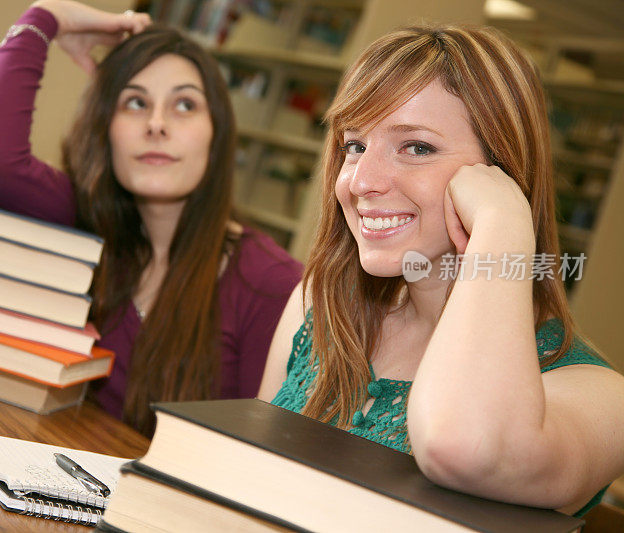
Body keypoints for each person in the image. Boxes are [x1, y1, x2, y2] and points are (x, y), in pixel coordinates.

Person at [258, 25, 624, 516]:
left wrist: (502, 229)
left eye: (416, 147)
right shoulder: (318, 304)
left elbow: (465, 449)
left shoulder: (602, 396)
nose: (362, 181)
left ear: (503, 175)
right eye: (355, 146)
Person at [0, 0, 302, 435]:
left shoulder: (271, 284)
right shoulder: (90, 222)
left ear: (217, 137)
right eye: (135, 103)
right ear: (107, 130)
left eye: (184, 106)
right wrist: (44, 18)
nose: (156, 124)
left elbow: (254, 462)